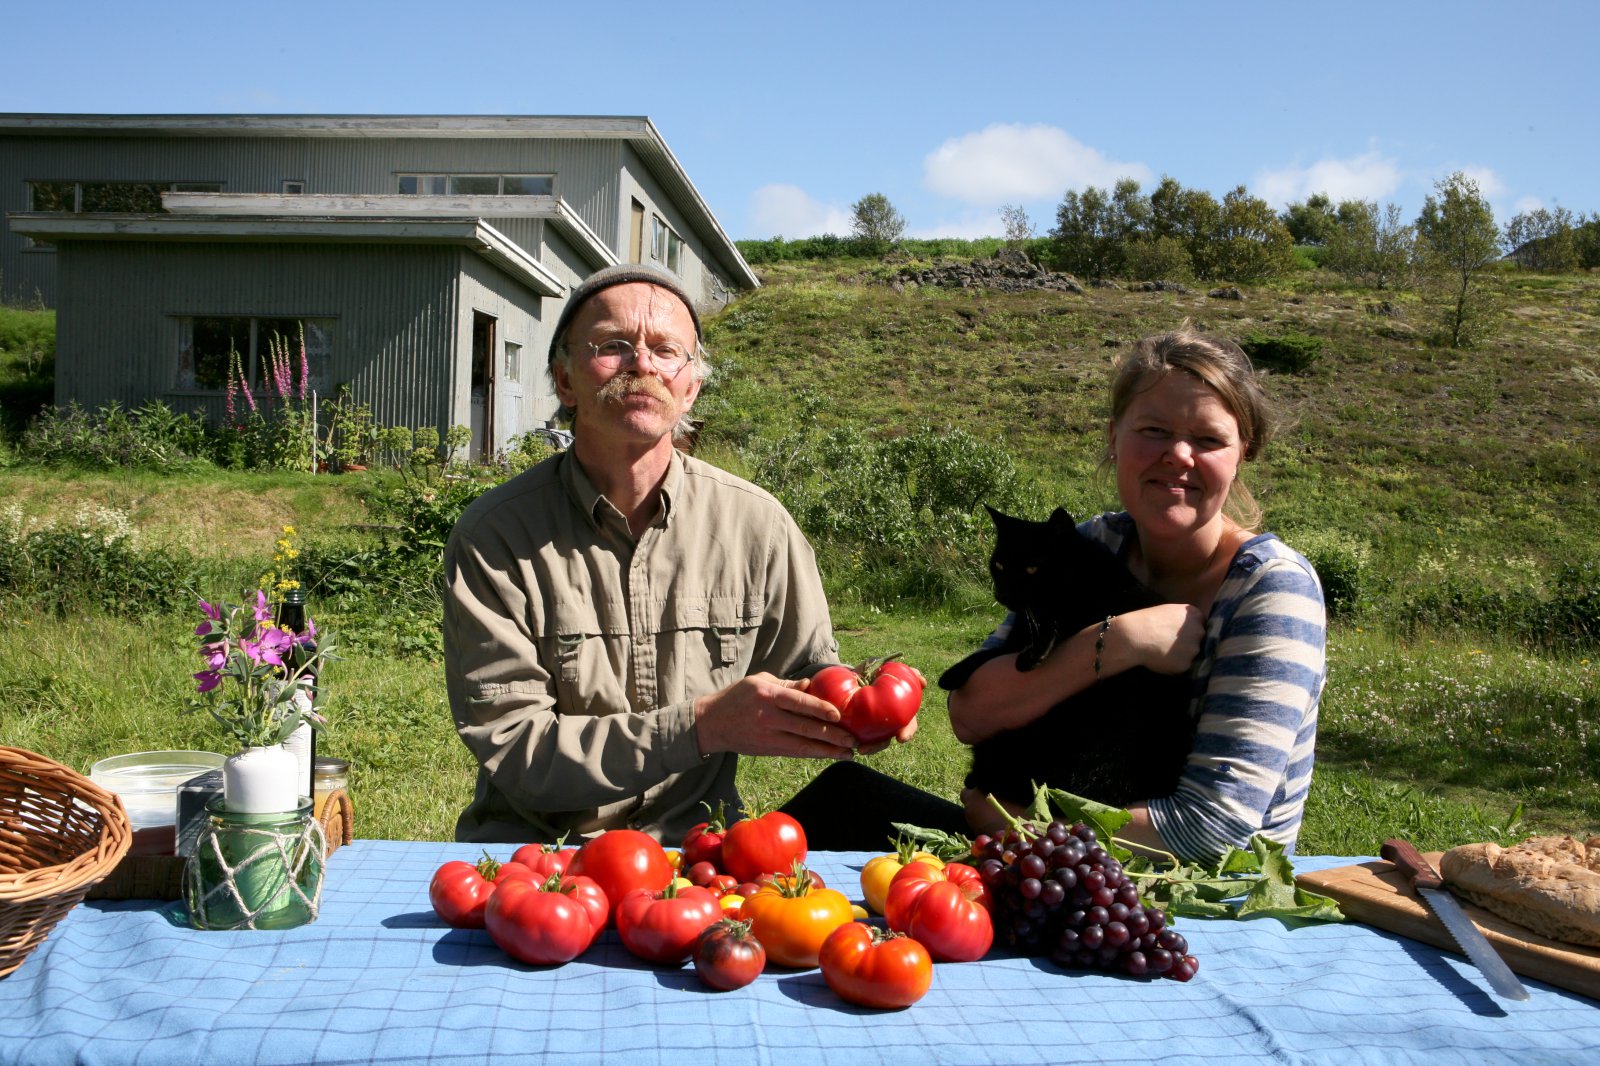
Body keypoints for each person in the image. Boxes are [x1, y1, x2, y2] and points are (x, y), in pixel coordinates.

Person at [442, 263, 921, 846]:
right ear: (565, 381)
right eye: (612, 346)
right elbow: (517, 751)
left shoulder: (755, 523)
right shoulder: (496, 536)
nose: (642, 364)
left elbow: (811, 669)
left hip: (701, 852)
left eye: (667, 351)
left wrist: (859, 706)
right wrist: (700, 727)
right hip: (537, 858)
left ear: (690, 386)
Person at [946, 326, 1327, 862]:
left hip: (1199, 907)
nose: (1178, 455)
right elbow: (971, 713)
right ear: (1113, 437)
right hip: (1058, 873)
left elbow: (1211, 832)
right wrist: (1119, 641)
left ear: (1245, 451)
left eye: (1208, 439)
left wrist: (1016, 825)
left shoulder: (1270, 590)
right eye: (1154, 429)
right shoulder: (1091, 544)